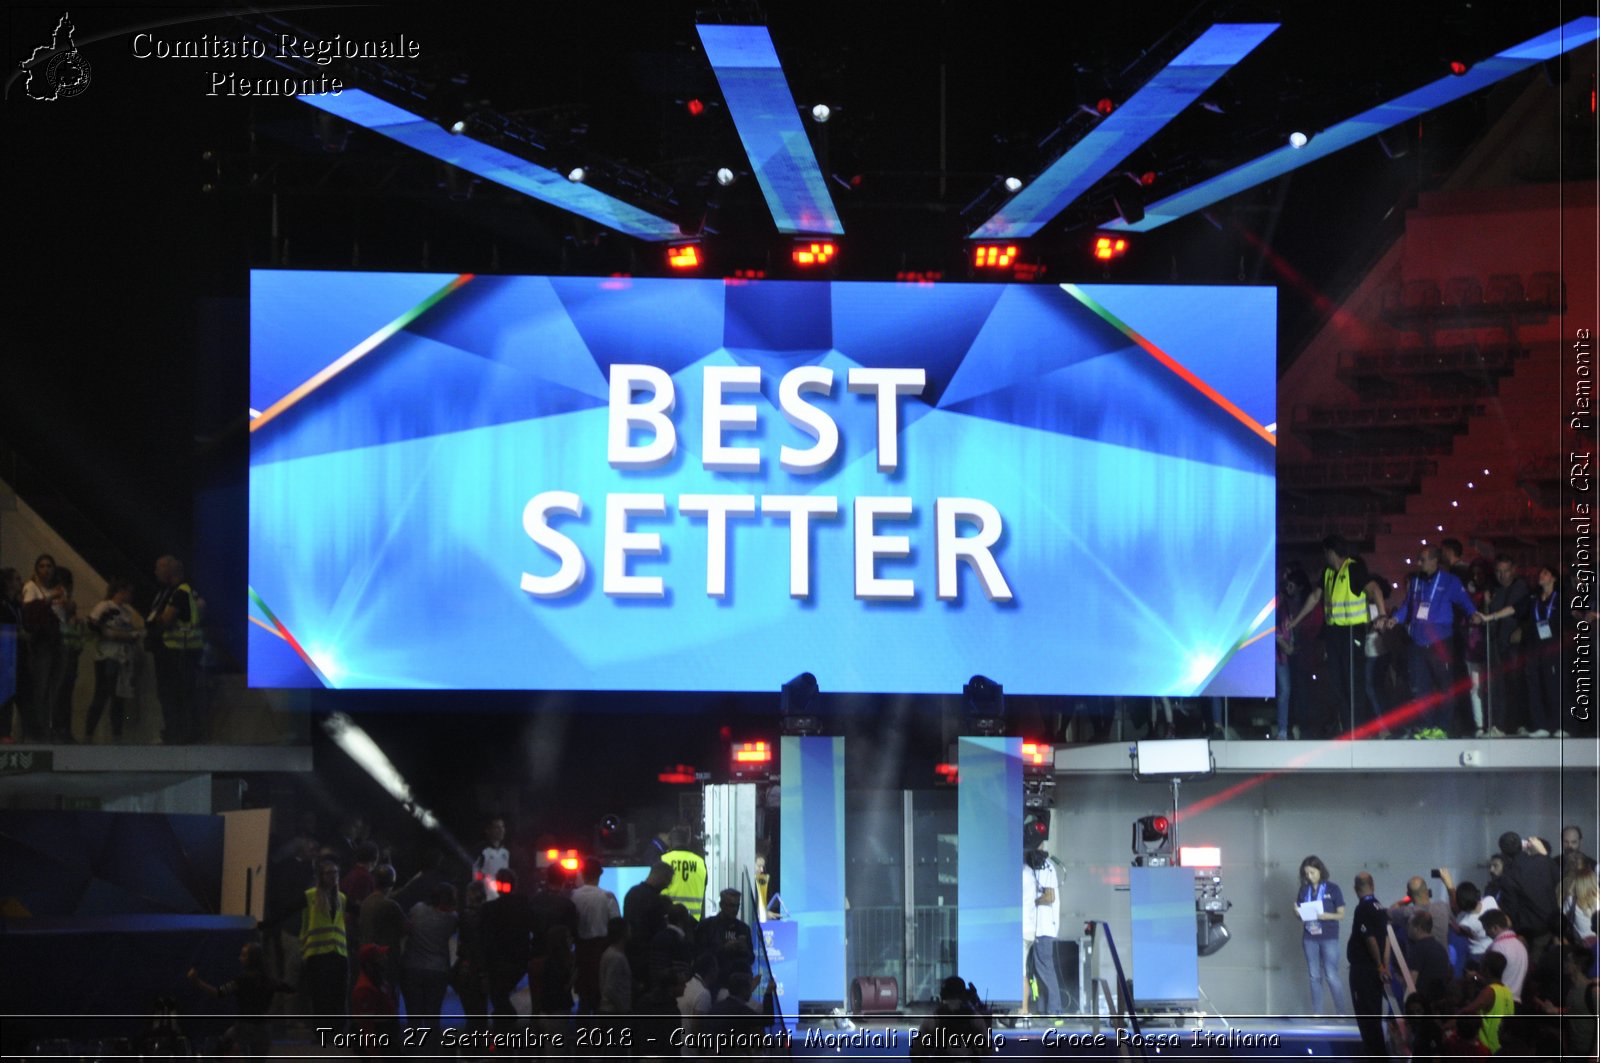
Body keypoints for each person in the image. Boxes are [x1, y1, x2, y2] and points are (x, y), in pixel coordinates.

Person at [1380, 546, 1476, 737]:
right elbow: (1408, 605)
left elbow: (1465, 601)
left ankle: (1443, 727)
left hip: (1440, 640)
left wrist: (1473, 614)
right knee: (1420, 687)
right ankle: (1427, 725)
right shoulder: (1416, 581)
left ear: (1434, 561)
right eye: (1419, 559)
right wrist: (1396, 619)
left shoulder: (1450, 581)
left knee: (1444, 686)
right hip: (1417, 641)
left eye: (1423, 559)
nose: (1419, 563)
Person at [1288, 536, 1370, 736]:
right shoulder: (1327, 572)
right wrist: (1295, 621)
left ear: (1331, 551)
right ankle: (1347, 727)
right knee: (1337, 681)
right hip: (1334, 632)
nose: (1324, 556)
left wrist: (1382, 614)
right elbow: (1315, 597)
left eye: (1325, 552)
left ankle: (1360, 728)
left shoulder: (1353, 568)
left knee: (1353, 681)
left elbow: (1373, 588)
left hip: (1352, 630)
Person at [187, 942, 291, 1062]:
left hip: (243, 1028)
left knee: (220, 1049)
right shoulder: (269, 980)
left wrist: (197, 981)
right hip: (263, 1029)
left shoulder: (241, 981)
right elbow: (288, 989)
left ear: (251, 959)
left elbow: (218, 992)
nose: (240, 958)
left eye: (243, 955)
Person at [146, 555, 203, 744]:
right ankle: (179, 731)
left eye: (158, 567)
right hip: (179, 651)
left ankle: (177, 733)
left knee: (173, 694)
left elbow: (166, 620)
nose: (155, 571)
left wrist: (156, 621)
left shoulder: (179, 593)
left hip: (177, 651)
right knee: (178, 693)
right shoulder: (174, 591)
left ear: (169, 570)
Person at [1473, 556, 1530, 735]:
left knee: (1514, 684)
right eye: (1498, 571)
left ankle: (1517, 723)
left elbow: (1516, 610)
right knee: (1497, 686)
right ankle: (1499, 724)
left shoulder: (1519, 587)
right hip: (1496, 643)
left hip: (1513, 644)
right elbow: (1487, 613)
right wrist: (1485, 608)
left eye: (1505, 571)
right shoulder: (1495, 590)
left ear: (1513, 570)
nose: (1502, 575)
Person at [84, 577, 141, 741]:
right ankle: (89, 733)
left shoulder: (127, 612)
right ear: (121, 591)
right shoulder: (105, 606)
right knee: (101, 694)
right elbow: (93, 625)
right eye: (129, 591)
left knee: (118, 697)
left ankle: (117, 734)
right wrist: (116, 634)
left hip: (122, 658)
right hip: (107, 656)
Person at [20, 554, 65, 742]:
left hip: (56, 640)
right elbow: (29, 610)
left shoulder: (55, 589)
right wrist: (49, 598)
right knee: (41, 686)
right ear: (36, 569)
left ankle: (48, 727)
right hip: (41, 642)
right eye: (42, 566)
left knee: (54, 688)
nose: (46, 570)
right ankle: (38, 730)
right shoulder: (32, 588)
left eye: (49, 566)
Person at [300, 858, 351, 1022]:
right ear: (321, 876)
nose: (333, 876)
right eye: (329, 873)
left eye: (336, 873)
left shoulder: (342, 898)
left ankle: (337, 1030)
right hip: (317, 953)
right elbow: (305, 922)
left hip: (338, 951)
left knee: (338, 994)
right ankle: (321, 1031)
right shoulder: (310, 896)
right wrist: (304, 949)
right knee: (319, 995)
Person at [403, 882, 458, 1029]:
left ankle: (412, 1047)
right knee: (432, 1017)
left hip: (412, 967)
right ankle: (431, 1048)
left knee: (413, 1016)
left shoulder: (417, 909)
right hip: (438, 971)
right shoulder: (451, 919)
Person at [1295, 856, 1346, 1016]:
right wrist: (1296, 912)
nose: (1309, 876)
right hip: (1310, 935)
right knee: (1314, 976)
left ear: (1320, 870)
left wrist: (1326, 916)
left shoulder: (1332, 888)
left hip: (1329, 935)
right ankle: (1317, 1013)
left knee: (1331, 975)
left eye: (1312, 872)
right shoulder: (1304, 890)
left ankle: (1341, 1012)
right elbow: (1300, 914)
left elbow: (1341, 914)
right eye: (1306, 874)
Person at [1347, 872, 1389, 1058]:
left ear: (1356, 889)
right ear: (1373, 885)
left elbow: (1369, 937)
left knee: (1366, 1016)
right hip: (1376, 970)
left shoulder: (1362, 909)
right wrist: (1384, 966)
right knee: (1375, 1014)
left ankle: (1374, 1055)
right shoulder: (1380, 907)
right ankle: (1378, 1053)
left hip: (1364, 970)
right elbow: (1386, 938)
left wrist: (1379, 964)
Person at [571, 859, 620, 1013]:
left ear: (582, 874)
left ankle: (582, 1034)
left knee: (584, 997)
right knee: (601, 996)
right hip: (602, 950)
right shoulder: (607, 896)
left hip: (580, 950)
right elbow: (616, 924)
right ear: (599, 875)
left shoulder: (573, 896)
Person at [1522, 566, 1564, 737]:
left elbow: (1574, 615)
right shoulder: (1534, 599)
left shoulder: (1560, 599)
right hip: (1535, 648)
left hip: (1554, 648)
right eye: (1540, 572)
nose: (1541, 575)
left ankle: (1560, 725)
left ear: (1554, 578)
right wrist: (1491, 617)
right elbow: (1515, 609)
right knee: (1535, 685)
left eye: (1545, 573)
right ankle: (1541, 726)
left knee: (1554, 686)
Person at [911, 975, 993, 1060]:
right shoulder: (975, 1019)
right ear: (963, 994)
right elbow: (987, 1052)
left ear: (942, 994)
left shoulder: (932, 1019)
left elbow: (916, 1053)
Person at [1022, 848, 1063, 1015]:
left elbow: (1050, 896)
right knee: (1036, 970)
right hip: (1035, 927)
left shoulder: (1046, 868)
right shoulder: (1033, 868)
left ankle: (1055, 1008)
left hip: (1044, 927)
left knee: (1045, 967)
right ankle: (1042, 1007)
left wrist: (1032, 901)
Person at [358, 865, 406, 990]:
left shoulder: (365, 902)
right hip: (385, 960)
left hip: (367, 958)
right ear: (392, 883)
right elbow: (406, 928)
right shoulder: (390, 905)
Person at [1457, 950, 1515, 1054]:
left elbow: (1466, 1013)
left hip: (1487, 1050)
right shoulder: (1507, 992)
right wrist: (1475, 977)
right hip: (1500, 1050)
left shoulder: (1489, 991)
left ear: (1486, 969)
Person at [350, 943, 399, 1053]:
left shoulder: (379, 981)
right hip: (379, 1043)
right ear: (371, 964)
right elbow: (367, 1027)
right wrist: (375, 1055)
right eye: (380, 957)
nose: (385, 959)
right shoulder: (365, 989)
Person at [659, 826, 708, 920]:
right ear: (688, 841)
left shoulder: (663, 860)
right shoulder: (700, 862)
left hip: (669, 920)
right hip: (693, 922)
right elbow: (704, 887)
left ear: (670, 841)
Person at [472, 816, 511, 902]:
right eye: (497, 827)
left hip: (502, 898)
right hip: (486, 898)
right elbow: (475, 874)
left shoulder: (506, 852)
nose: (501, 830)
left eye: (502, 827)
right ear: (488, 830)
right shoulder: (481, 850)